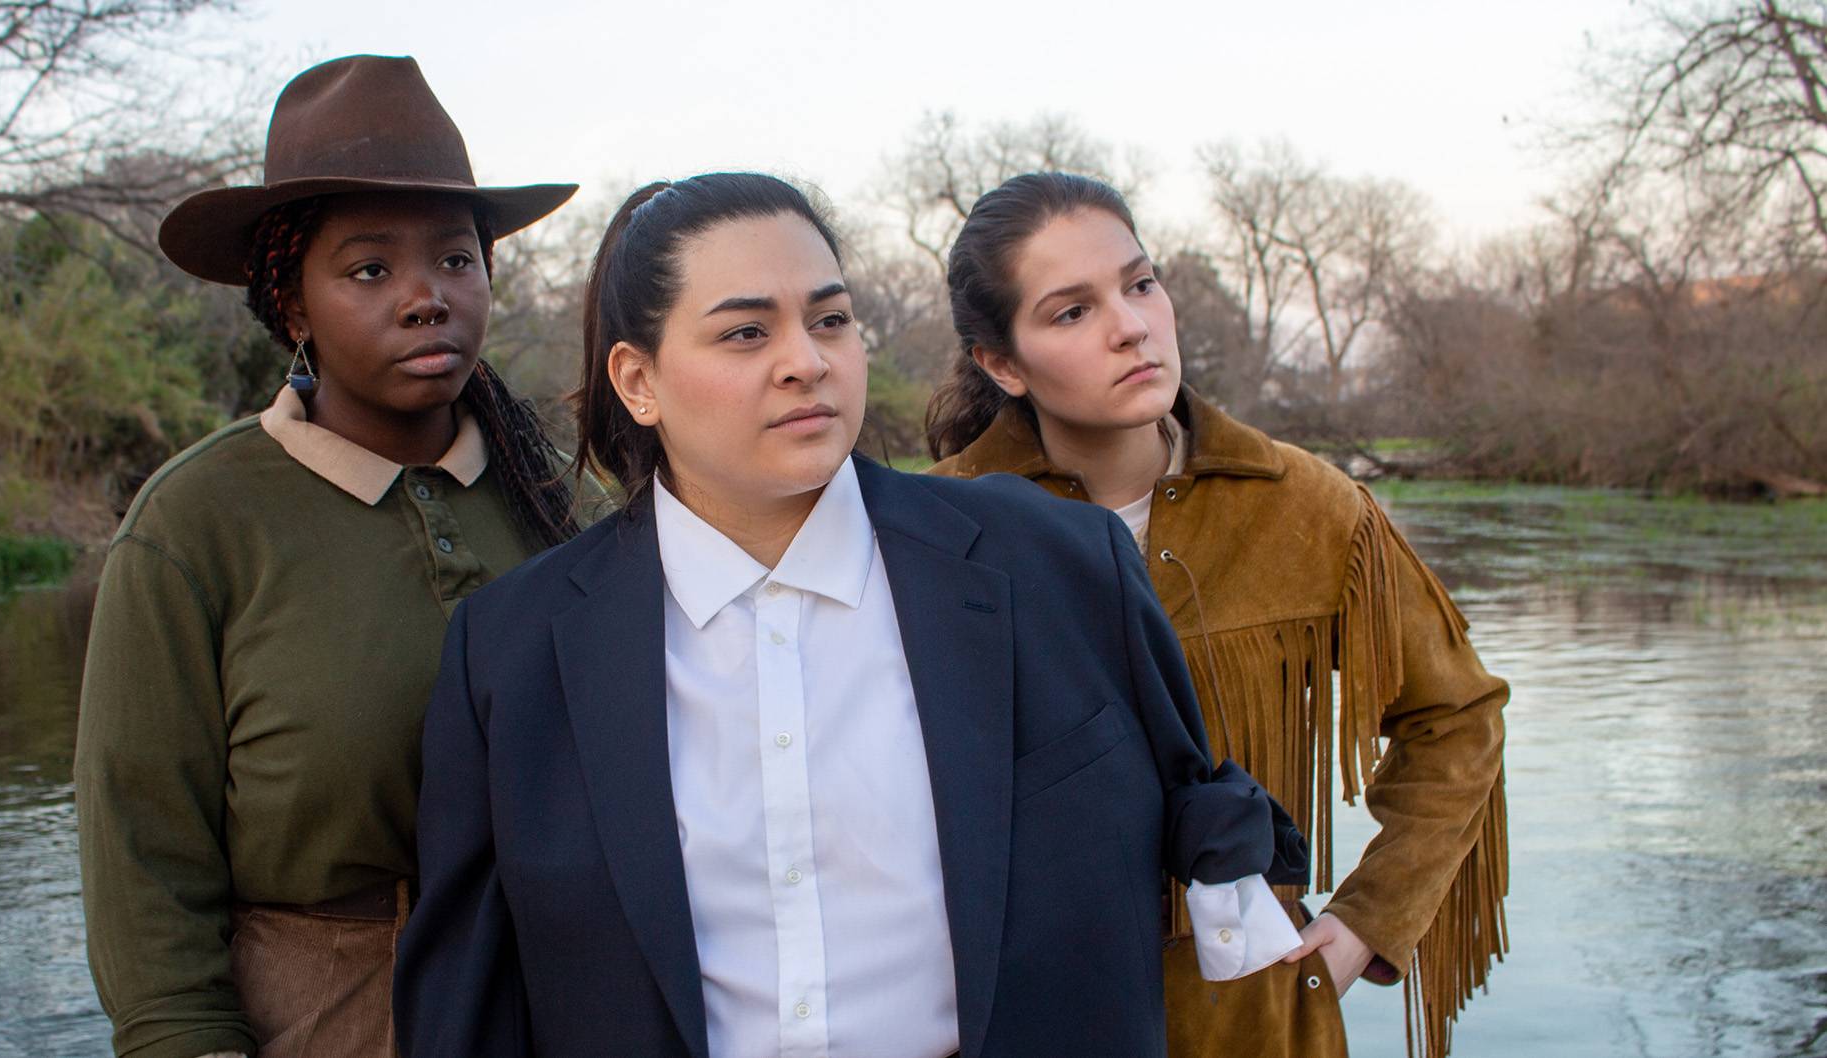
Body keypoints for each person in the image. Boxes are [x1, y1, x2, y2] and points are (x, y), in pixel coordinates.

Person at [392, 172, 1307, 1058]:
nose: (807, 361)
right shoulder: (514, 650)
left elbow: (1191, 810)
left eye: (830, 320)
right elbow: (469, 1003)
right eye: (746, 333)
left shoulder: (1059, 567)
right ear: (639, 380)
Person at [924, 171, 1509, 1058]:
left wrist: (1361, 928)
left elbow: (1456, 717)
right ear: (1003, 363)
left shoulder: (1311, 508)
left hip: (1254, 1020)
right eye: (1071, 312)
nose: (1131, 326)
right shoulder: (937, 531)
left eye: (1140, 283)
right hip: (1013, 1019)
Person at [74, 55, 584, 1058]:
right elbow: (144, 866)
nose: (425, 296)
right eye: (368, 270)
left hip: (560, 996)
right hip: (326, 1014)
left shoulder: (553, 498)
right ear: (292, 306)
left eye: (455, 259)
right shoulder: (196, 523)